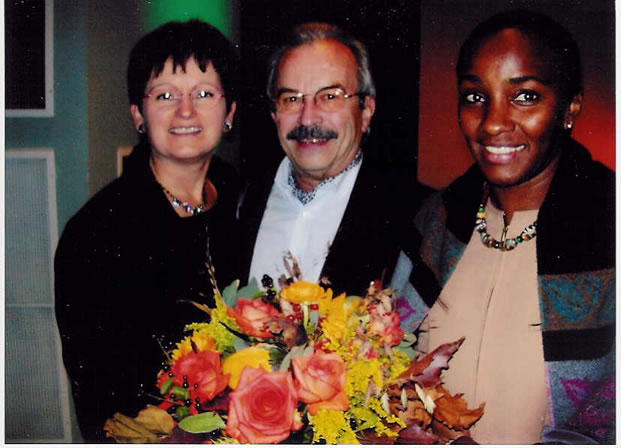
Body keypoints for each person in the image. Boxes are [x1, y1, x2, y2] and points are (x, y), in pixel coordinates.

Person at [390, 10, 614, 444]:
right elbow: (385, 354)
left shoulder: (609, 230)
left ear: (569, 108)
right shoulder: (434, 220)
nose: (492, 122)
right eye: (475, 96)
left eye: (525, 96)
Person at [55, 20, 240, 442]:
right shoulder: (96, 234)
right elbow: (101, 398)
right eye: (165, 95)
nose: (186, 111)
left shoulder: (244, 199)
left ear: (229, 111)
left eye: (204, 94)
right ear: (138, 114)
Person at [239, 22, 428, 296]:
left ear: (366, 110)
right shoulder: (240, 203)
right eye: (291, 99)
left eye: (330, 96)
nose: (307, 118)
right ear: (274, 114)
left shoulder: (415, 217)